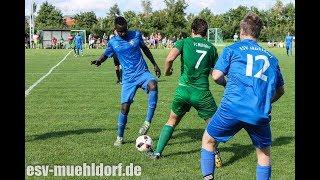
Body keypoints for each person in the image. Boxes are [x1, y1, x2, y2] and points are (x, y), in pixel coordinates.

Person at [200, 12, 285, 180]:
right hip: (259, 112)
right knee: (263, 156)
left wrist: (227, 83)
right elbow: (281, 90)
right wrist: (266, 101)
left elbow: (216, 75)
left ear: (241, 31)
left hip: (232, 107)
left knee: (208, 141)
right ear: (258, 32)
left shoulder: (232, 49)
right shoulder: (272, 58)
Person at [145, 18, 222, 167]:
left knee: (172, 121)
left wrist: (167, 72)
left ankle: (157, 153)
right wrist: (226, 83)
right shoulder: (212, 48)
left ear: (192, 30)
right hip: (202, 93)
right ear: (205, 33)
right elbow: (216, 75)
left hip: (183, 91)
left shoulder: (184, 42)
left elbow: (169, 58)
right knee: (214, 126)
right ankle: (215, 152)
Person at [91, 16, 161, 146]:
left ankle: (147, 122)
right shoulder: (113, 42)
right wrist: (99, 61)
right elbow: (106, 54)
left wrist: (155, 64)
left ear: (127, 28)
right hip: (128, 78)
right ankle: (120, 137)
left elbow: (145, 49)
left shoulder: (136, 35)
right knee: (125, 108)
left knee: (153, 84)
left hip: (142, 72)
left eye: (124, 30)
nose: (123, 33)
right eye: (120, 31)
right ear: (115, 30)